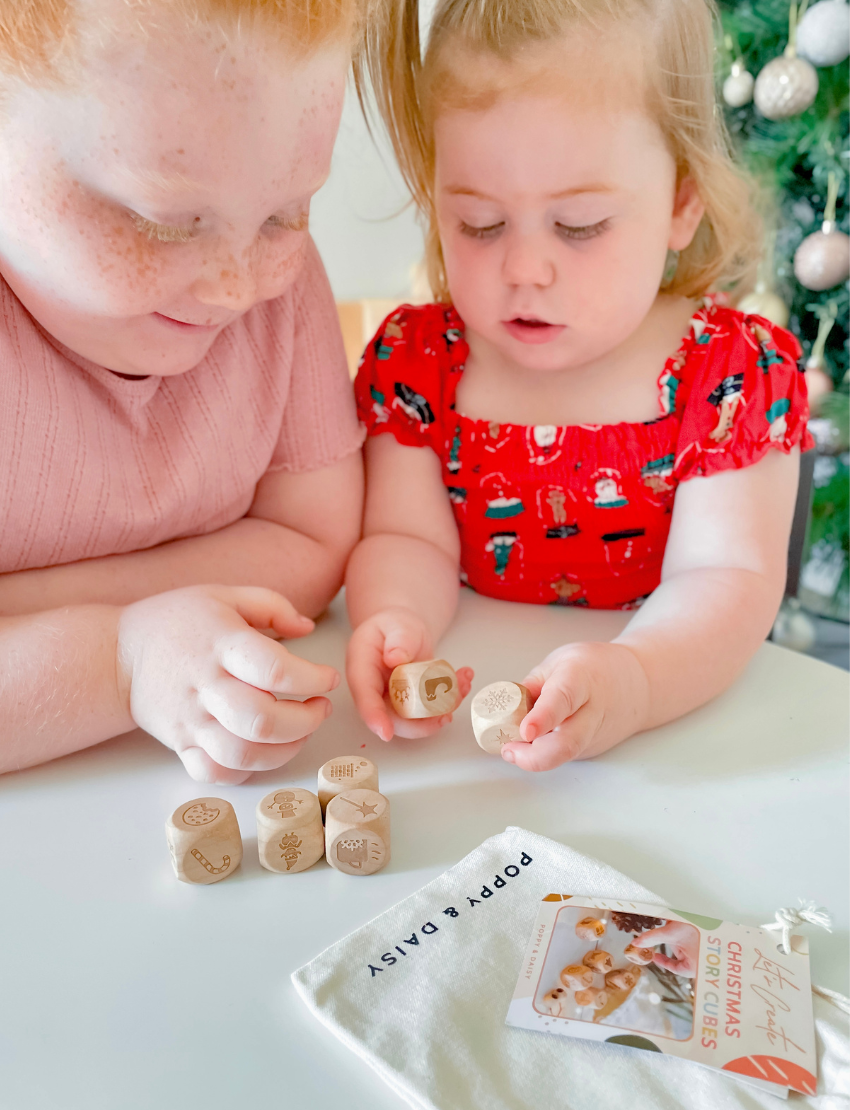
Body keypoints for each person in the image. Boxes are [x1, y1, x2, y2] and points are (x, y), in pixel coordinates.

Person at [346, 0, 812, 770]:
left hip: (680, 752)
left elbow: (726, 577)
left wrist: (635, 678)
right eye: (479, 224)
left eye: (581, 225)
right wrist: (394, 620)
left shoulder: (727, 376)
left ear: (682, 201)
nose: (526, 269)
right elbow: (405, 538)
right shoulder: (417, 363)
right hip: (470, 753)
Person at [0, 0, 366, 783]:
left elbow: (315, 541)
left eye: (286, 215)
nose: (238, 289)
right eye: (162, 222)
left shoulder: (279, 289)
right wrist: (119, 660)